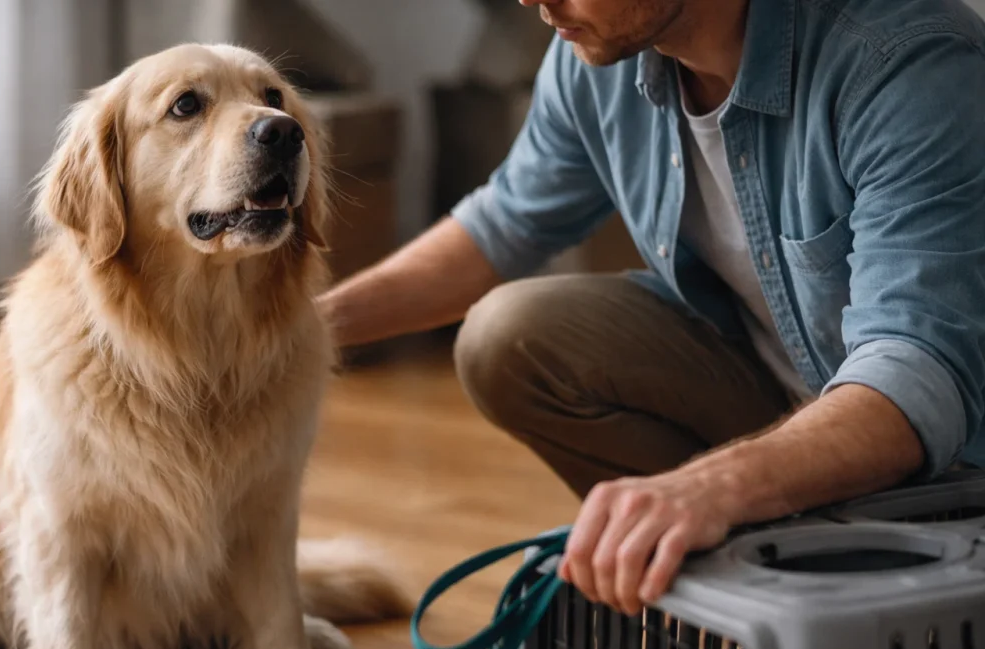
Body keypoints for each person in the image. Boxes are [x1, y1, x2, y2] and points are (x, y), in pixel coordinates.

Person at [318, 0, 985, 615]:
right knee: (510, 335)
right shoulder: (602, 51)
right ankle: (747, 587)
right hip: (786, 397)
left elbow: (917, 375)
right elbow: (502, 224)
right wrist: (299, 335)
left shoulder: (906, 63)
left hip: (947, 460)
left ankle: (832, 588)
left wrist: (711, 487)